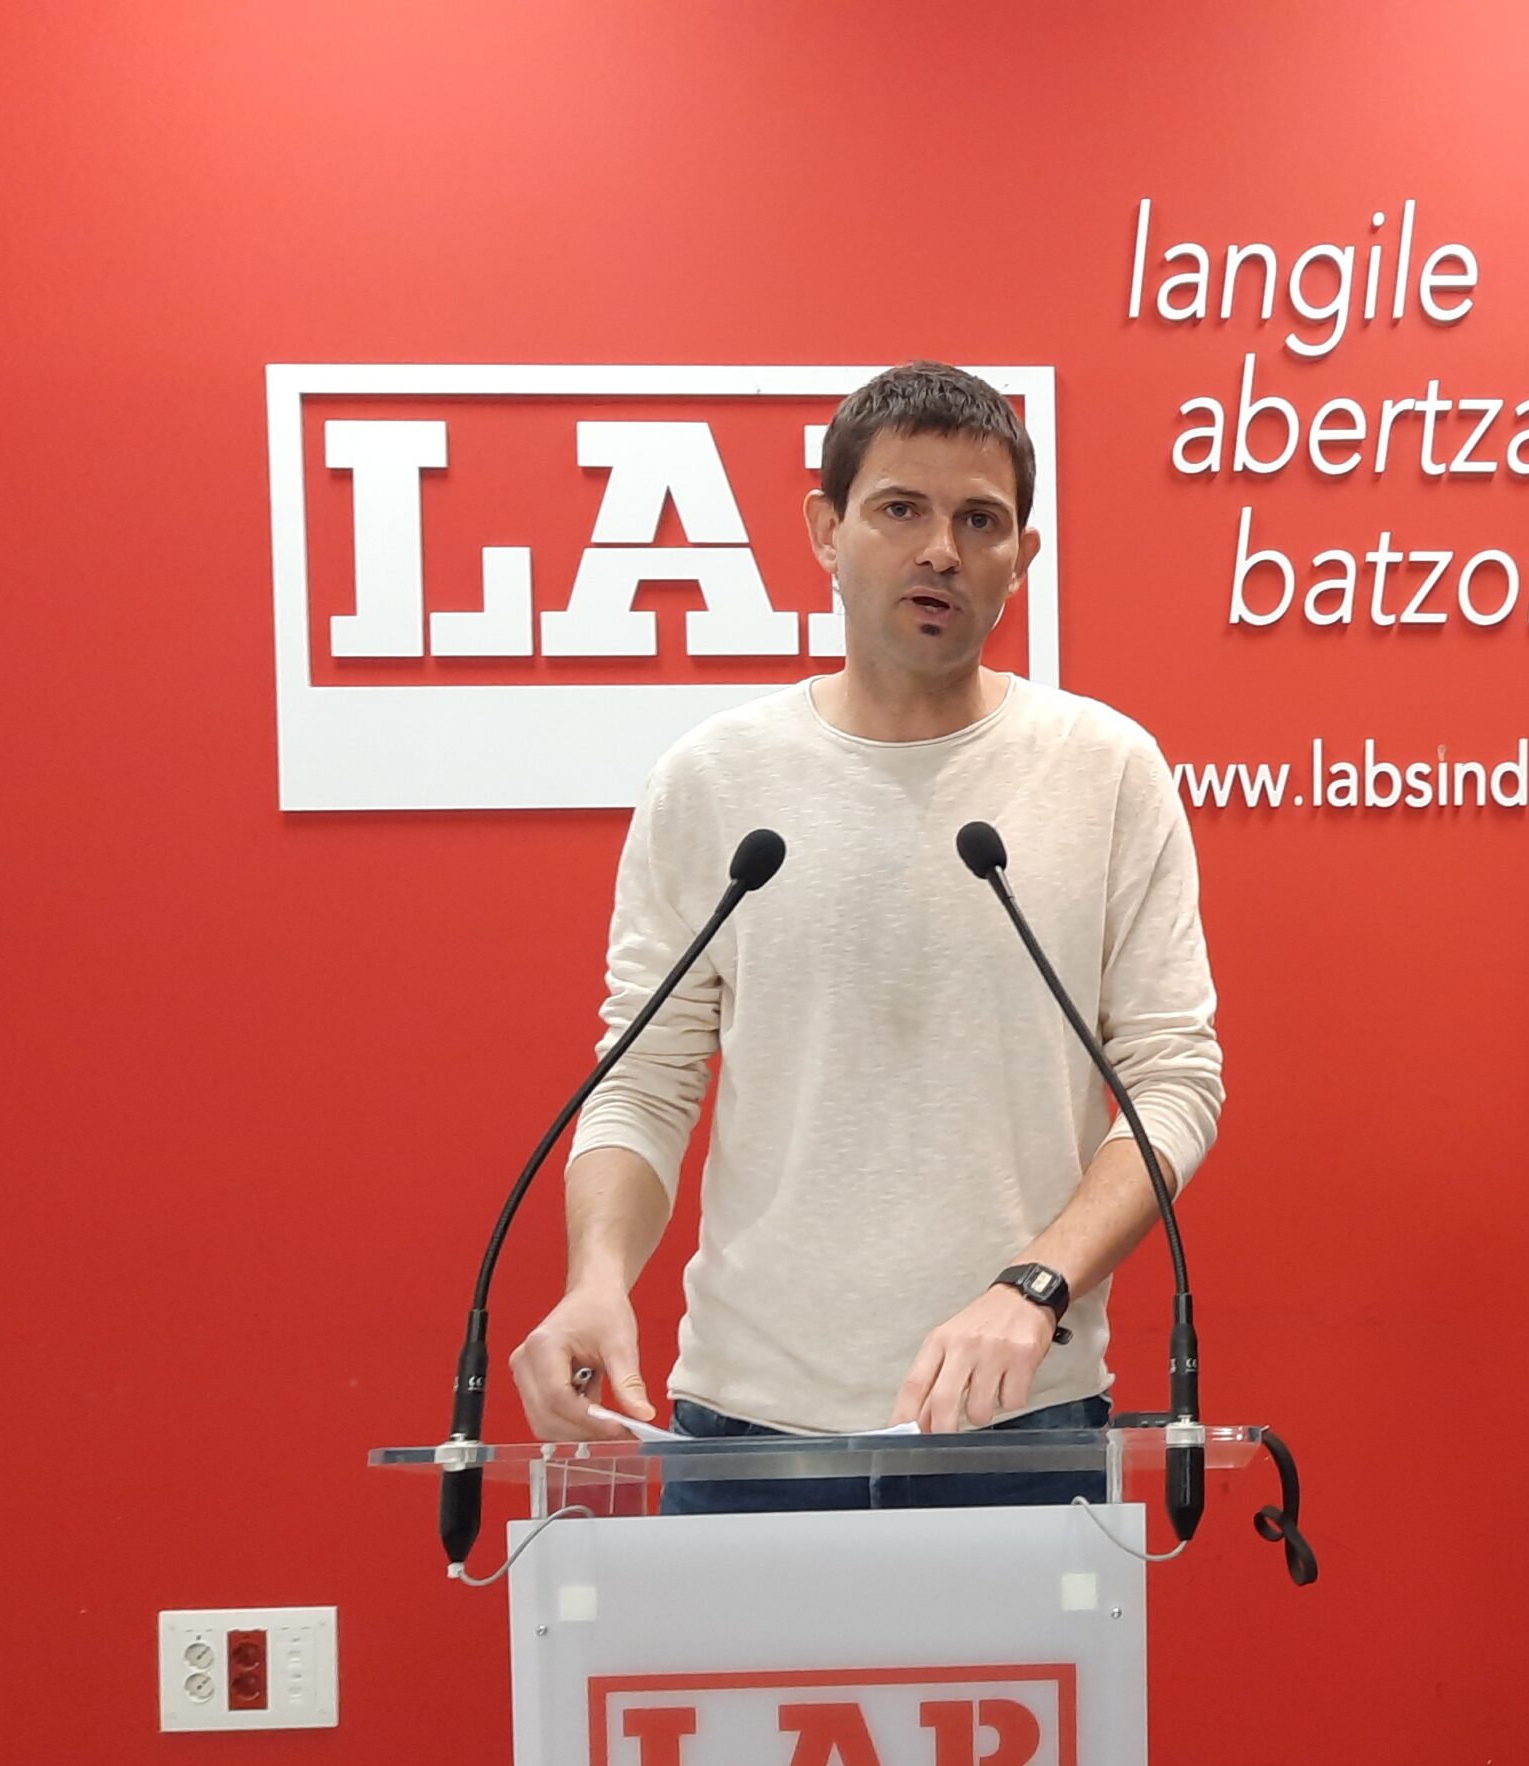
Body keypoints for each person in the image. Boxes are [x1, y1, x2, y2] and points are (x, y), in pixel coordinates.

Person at [506, 361, 1224, 1512]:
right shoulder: (714, 779)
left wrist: (1036, 1285)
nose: (940, 549)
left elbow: (1172, 1083)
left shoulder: (1105, 771)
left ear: (1022, 558)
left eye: (979, 520)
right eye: (900, 509)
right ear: (826, 530)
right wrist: (596, 1279)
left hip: (1021, 1418)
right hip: (747, 1430)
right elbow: (642, 1082)